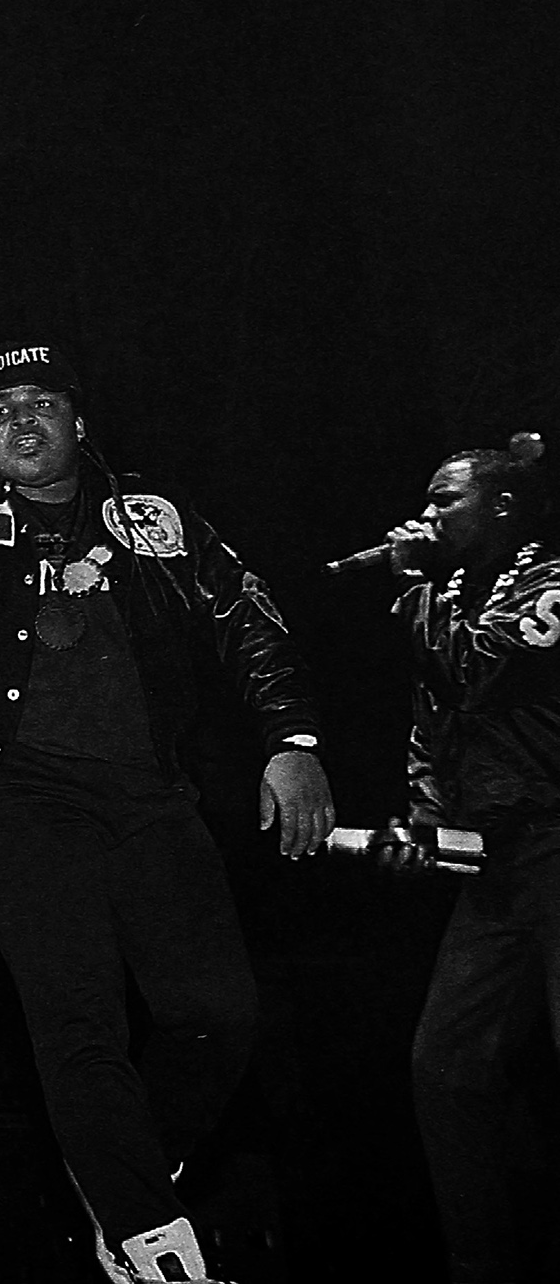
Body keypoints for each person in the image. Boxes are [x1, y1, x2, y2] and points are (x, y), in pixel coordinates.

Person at [0, 341, 335, 1284]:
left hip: (149, 791)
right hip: (11, 790)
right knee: (78, 1018)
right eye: (1, 413)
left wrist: (296, 744)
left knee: (220, 1015)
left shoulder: (149, 515)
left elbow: (245, 616)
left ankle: (117, 1171)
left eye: (42, 404)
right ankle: (152, 1243)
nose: (22, 423)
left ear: (81, 421)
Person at [373, 434, 560, 1284]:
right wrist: (426, 822)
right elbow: (437, 717)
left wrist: (412, 583)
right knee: (445, 1066)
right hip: (502, 864)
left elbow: (477, 672)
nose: (427, 516)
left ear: (506, 507)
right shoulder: (448, 593)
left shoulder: (549, 587)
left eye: (447, 500)